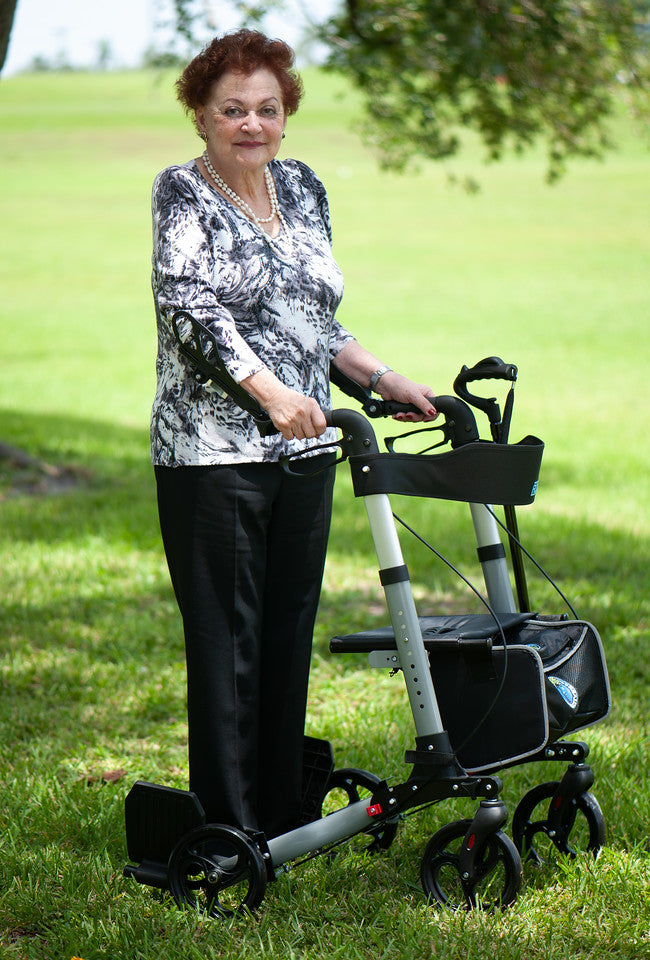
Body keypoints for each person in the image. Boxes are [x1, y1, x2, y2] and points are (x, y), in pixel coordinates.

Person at [150, 28, 437, 841]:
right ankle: (230, 834)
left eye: (267, 109)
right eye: (232, 109)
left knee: (284, 636)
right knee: (228, 647)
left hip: (306, 450)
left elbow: (315, 321)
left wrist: (381, 380)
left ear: (287, 115)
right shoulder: (184, 192)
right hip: (213, 456)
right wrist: (271, 393)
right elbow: (189, 309)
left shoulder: (303, 188)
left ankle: (280, 818)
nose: (252, 124)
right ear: (200, 115)